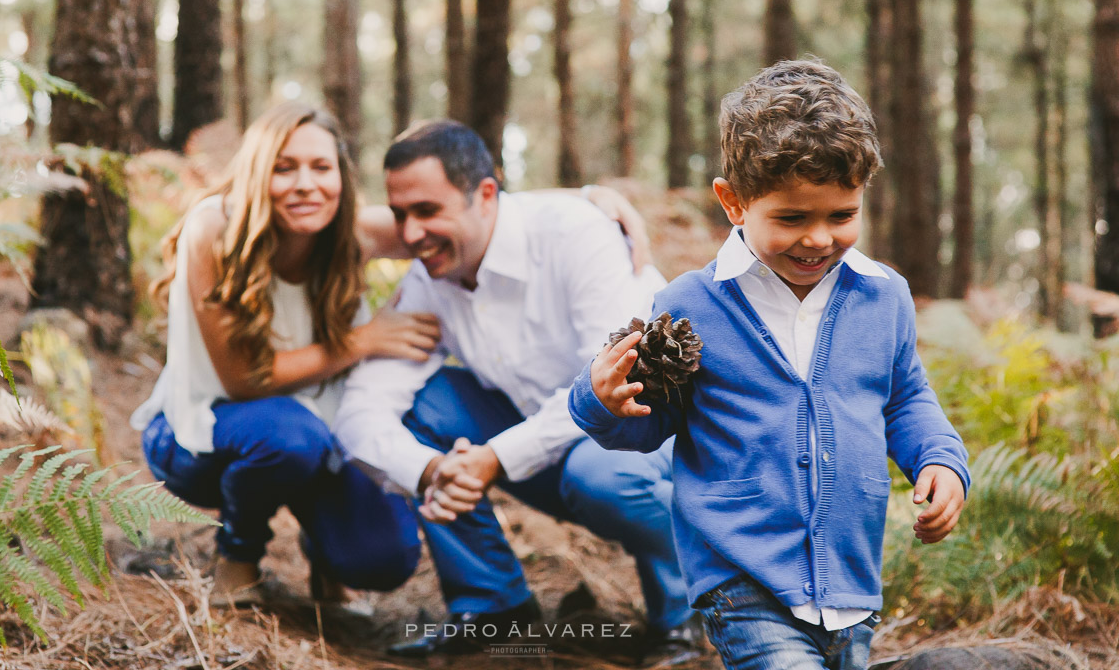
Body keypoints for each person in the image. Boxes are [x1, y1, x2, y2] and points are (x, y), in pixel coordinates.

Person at [570, 59, 970, 670]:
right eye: (791, 218)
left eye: (841, 216)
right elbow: (648, 423)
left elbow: (905, 399)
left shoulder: (883, 296)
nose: (818, 239)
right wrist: (602, 401)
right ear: (734, 203)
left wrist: (940, 460)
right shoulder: (689, 305)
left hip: (849, 585)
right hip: (740, 576)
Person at [334, 120, 701, 664]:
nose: (410, 234)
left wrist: (494, 457)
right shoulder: (429, 278)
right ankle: (493, 609)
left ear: (485, 195)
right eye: (400, 215)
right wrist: (432, 470)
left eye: (428, 211)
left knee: (603, 478)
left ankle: (687, 612)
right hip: (537, 442)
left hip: (637, 434)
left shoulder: (576, 234)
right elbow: (361, 408)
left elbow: (606, 386)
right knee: (425, 402)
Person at [130, 102, 440, 607]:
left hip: (318, 434)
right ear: (256, 172)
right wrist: (361, 341)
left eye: (321, 167)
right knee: (289, 438)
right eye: (284, 167)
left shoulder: (350, 234)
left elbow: (461, 211)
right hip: (199, 434)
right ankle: (239, 554)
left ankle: (323, 550)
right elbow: (243, 380)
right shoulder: (214, 229)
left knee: (383, 557)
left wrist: (592, 199)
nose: (305, 184)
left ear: (341, 174)